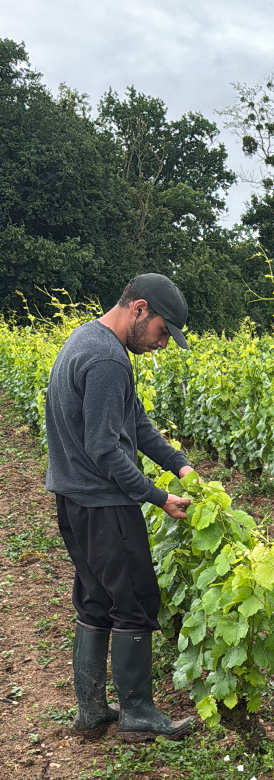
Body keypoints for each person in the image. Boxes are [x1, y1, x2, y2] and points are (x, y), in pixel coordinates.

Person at [45, 273, 196, 741]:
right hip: (105, 504)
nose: (163, 344)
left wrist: (178, 464)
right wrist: (158, 496)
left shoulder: (86, 340)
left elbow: (135, 422)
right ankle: (138, 714)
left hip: (74, 502)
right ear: (140, 309)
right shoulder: (108, 360)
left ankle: (91, 711)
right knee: (134, 600)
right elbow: (107, 450)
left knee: (95, 598)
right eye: (162, 332)